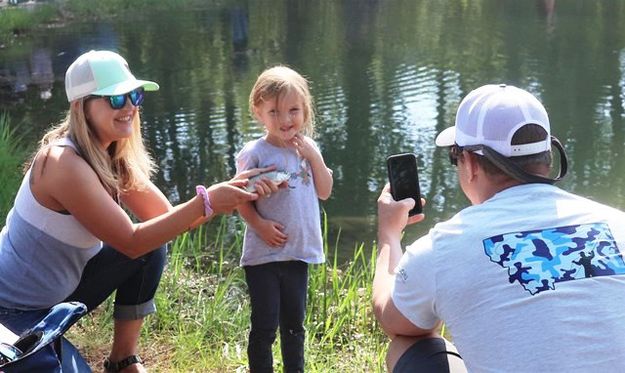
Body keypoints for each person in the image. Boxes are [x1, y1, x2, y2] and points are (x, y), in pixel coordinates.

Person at [0, 50, 279, 373]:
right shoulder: (63, 164)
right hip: (11, 308)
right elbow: (130, 240)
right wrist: (209, 201)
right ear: (81, 106)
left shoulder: (112, 155)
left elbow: (170, 219)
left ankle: (122, 360)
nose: (131, 106)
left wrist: (237, 191)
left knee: (152, 248)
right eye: (116, 99)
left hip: (57, 294)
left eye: (135, 94)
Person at [373, 83, 625, 372]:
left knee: (410, 346)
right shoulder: (618, 224)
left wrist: (389, 235)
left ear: (469, 163)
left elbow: (393, 319)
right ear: (548, 156)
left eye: (454, 157)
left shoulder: (444, 245)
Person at [236, 65, 333, 372]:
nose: (285, 120)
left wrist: (315, 157)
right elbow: (238, 198)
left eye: (293, 110)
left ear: (305, 110)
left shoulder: (308, 149)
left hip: (298, 253)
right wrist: (260, 224)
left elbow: (325, 191)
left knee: (294, 326)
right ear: (258, 112)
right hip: (264, 255)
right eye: (274, 112)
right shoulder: (255, 153)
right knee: (264, 326)